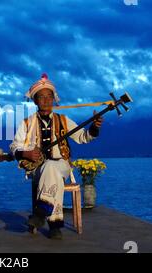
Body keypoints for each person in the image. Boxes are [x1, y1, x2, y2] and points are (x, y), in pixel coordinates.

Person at [10, 73, 103, 240]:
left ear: (53, 99)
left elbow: (83, 137)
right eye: (41, 97)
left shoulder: (64, 120)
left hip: (62, 165)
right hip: (37, 168)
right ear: (35, 101)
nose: (46, 100)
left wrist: (94, 127)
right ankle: (54, 226)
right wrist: (27, 153)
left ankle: (40, 213)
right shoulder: (26, 123)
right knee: (50, 172)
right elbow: (14, 146)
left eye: (49, 96)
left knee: (53, 167)